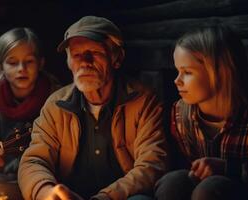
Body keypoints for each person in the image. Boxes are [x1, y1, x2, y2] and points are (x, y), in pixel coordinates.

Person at [18, 16, 167, 200]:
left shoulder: (144, 101)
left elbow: (152, 164)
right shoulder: (55, 105)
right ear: (68, 63)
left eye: (94, 52)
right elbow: (34, 160)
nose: (85, 61)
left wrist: (105, 198)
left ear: (117, 58)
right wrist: (45, 190)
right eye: (76, 54)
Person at [154, 25, 248, 200]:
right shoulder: (179, 114)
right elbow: (181, 165)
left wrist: (227, 168)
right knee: (172, 182)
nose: (177, 81)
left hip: (246, 192)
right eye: (178, 71)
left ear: (221, 73)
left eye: (187, 72)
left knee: (210, 189)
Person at [0, 27, 60, 199]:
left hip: (53, 176)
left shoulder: (59, 98)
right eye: (13, 63)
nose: (21, 68)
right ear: (0, 67)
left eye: (29, 61)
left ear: (41, 63)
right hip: (8, 180)